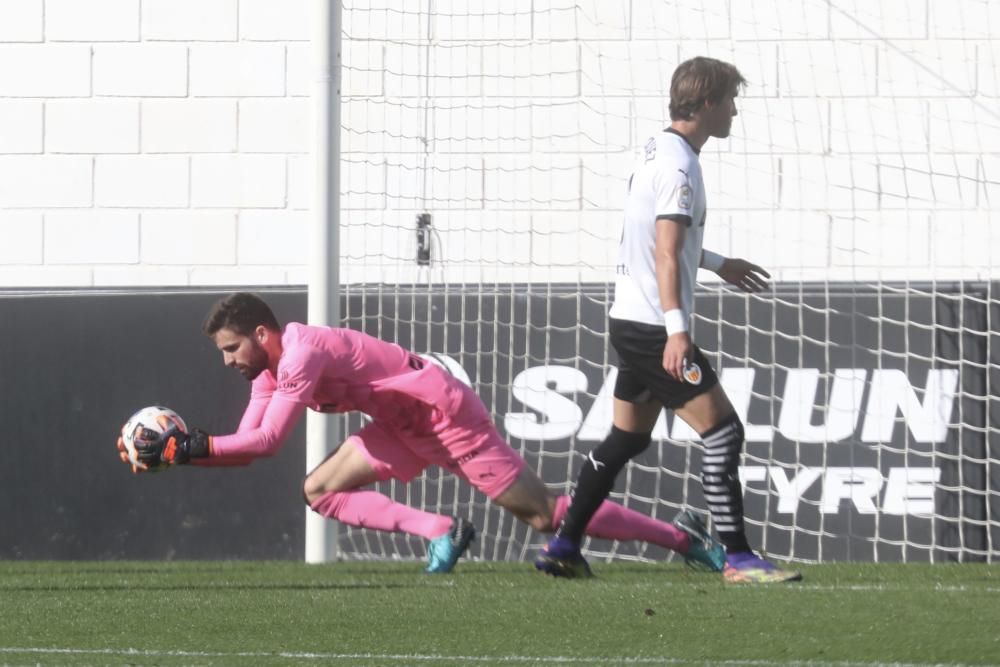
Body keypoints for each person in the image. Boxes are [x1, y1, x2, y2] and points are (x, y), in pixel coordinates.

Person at [119, 291, 726, 575]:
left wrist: (189, 447)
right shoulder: (268, 370)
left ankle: (682, 537)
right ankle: (442, 532)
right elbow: (246, 446)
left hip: (442, 413)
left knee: (544, 516)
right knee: (320, 491)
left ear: (261, 332)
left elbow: (268, 440)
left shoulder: (301, 354)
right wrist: (184, 454)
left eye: (231, 349)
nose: (228, 361)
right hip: (396, 425)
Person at [534, 56, 802, 583]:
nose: (734, 111)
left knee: (626, 440)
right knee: (723, 431)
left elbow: (663, 242)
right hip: (656, 328)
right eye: (729, 100)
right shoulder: (680, 166)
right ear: (706, 104)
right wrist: (677, 329)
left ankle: (564, 544)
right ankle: (739, 558)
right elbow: (664, 250)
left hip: (631, 321)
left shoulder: (658, 150)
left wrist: (721, 264)